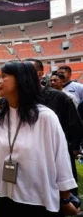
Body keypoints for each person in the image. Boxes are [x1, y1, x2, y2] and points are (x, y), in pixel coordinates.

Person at [0, 61, 78, 216]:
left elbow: (61, 160)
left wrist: (65, 199)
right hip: (4, 196)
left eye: (3, 77)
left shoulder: (45, 117)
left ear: (21, 80)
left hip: (38, 200)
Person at [26, 58, 83, 196]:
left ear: (39, 74)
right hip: (33, 153)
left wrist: (75, 147)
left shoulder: (59, 97)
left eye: (27, 71)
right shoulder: (22, 99)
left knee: (66, 188)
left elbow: (75, 124)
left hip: (60, 149)